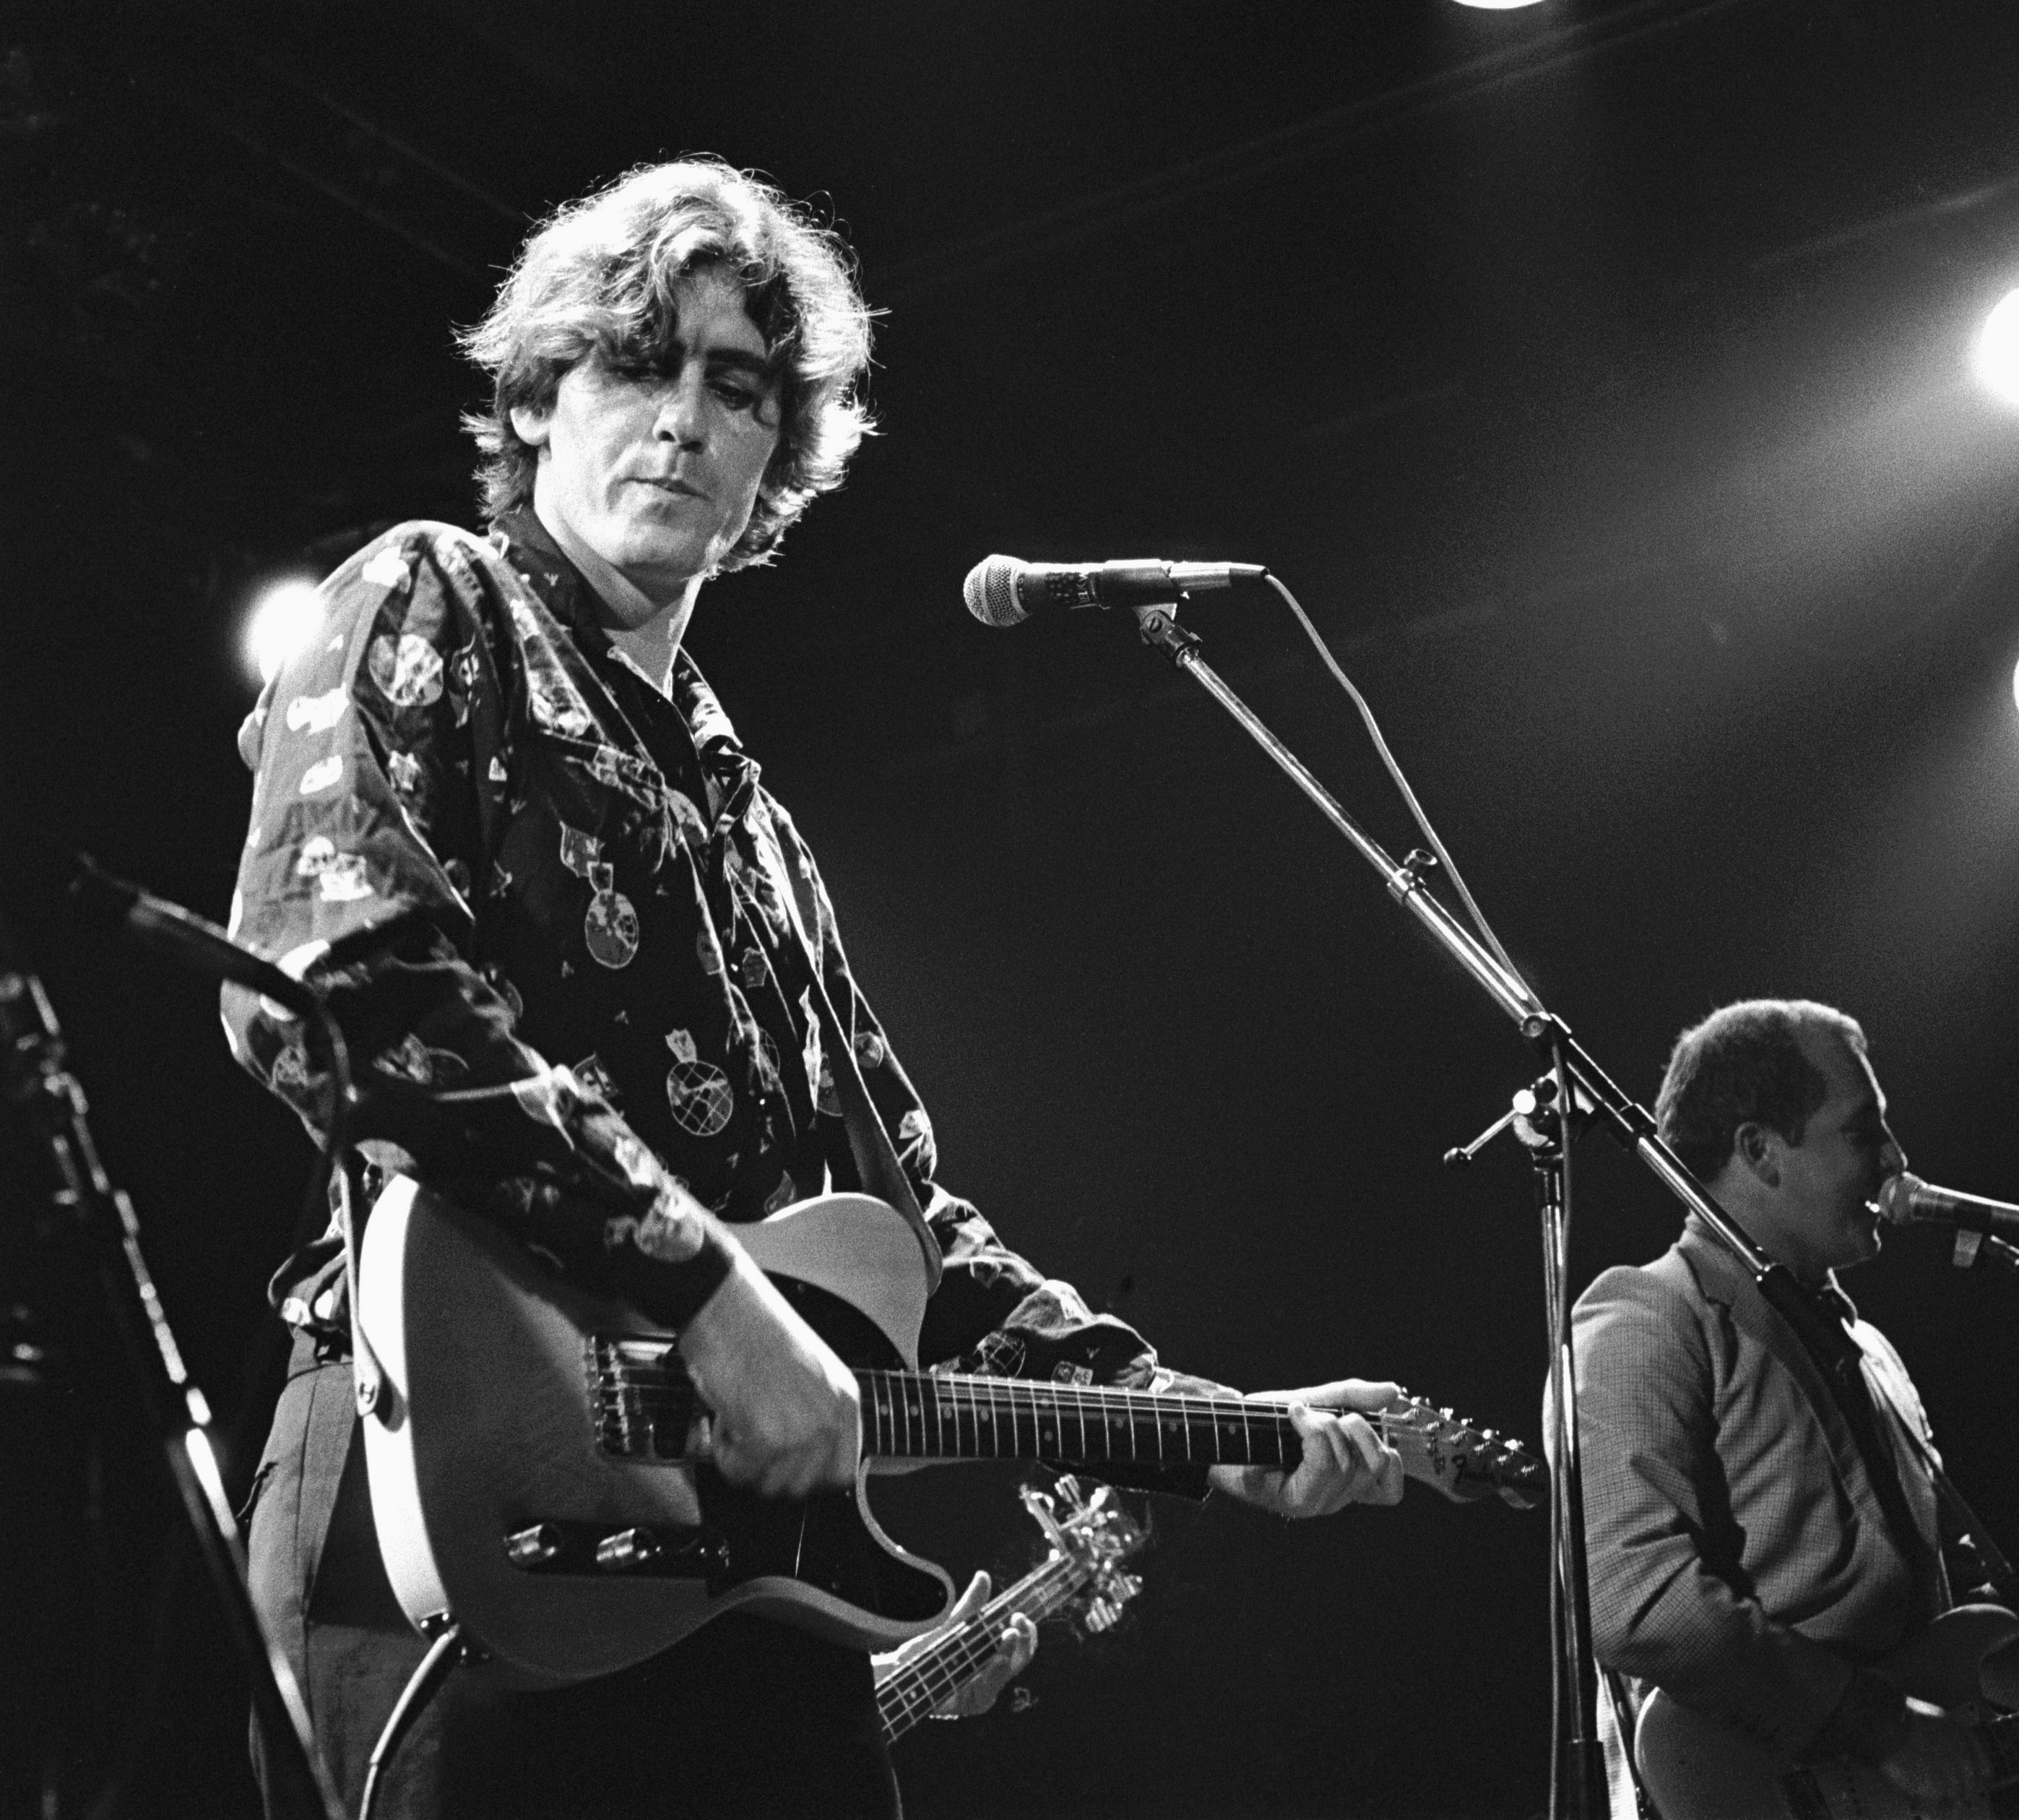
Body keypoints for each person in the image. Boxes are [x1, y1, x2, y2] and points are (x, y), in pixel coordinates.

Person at [223, 159, 1402, 1819]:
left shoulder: (751, 820)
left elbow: (899, 1227)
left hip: (739, 1581)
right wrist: (713, 1295)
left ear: (786, 451)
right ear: (548, 392)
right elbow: (334, 981)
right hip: (454, 1500)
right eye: (640, 363)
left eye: (741, 387)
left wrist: (1185, 1416)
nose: (683, 421)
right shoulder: (437, 597)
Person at [1570, 999, 2019, 1817]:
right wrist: (1881, 1726)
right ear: (1759, 1151)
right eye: (1863, 1131)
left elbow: (2002, 1625)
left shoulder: (1869, 1350)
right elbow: (1639, 1602)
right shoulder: (1646, 1316)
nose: (1897, 1158)